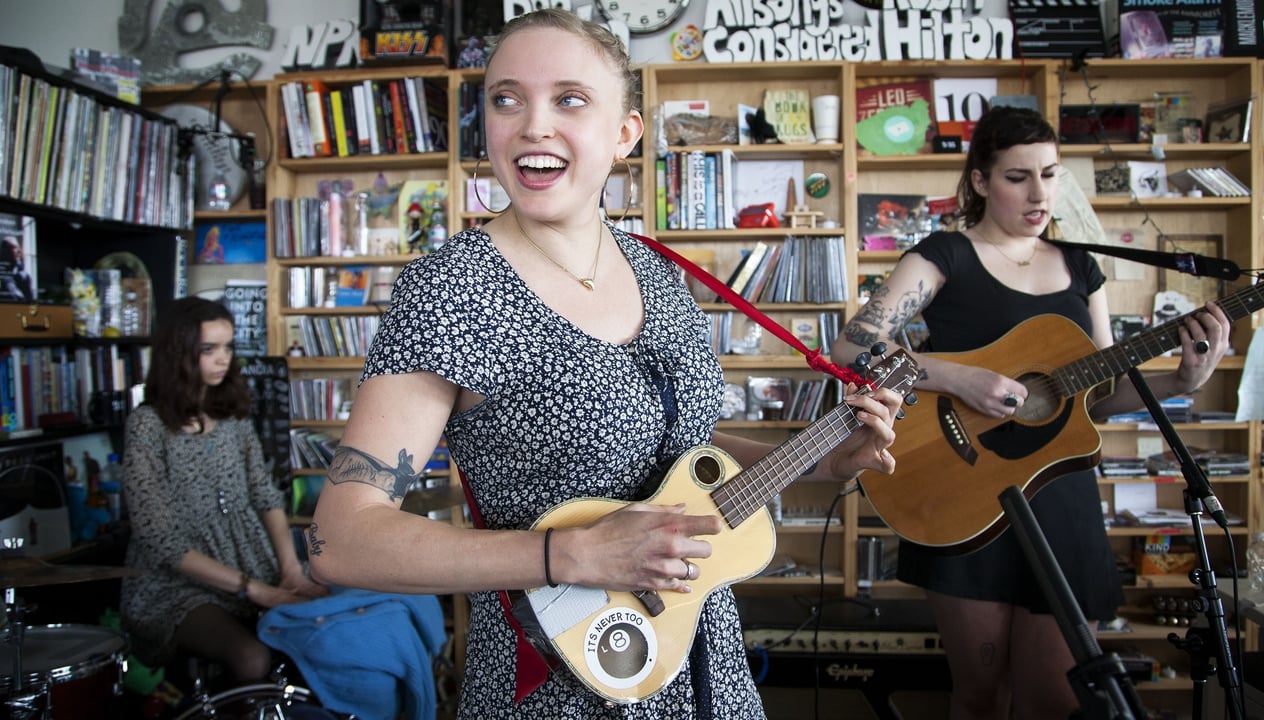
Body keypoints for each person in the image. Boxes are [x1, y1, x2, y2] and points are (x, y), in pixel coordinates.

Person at [307, 8, 902, 719]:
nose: (532, 124)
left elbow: (682, 452)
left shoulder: (657, 270)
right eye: (506, 99)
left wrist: (825, 459)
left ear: (624, 134)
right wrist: (569, 555)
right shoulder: (451, 289)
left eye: (568, 99)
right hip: (557, 684)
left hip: (705, 662)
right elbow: (338, 538)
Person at [832, 105, 1230, 719]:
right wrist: (959, 376)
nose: (1040, 192)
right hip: (967, 490)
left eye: (1050, 173)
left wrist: (1180, 381)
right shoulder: (946, 255)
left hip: (1061, 498)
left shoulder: (1080, 267)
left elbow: (1099, 394)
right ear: (981, 182)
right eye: (1018, 176)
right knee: (982, 697)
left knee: (1053, 699)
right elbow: (853, 348)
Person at [120, 297, 327, 684]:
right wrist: (256, 591)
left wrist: (288, 571)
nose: (223, 359)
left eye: (228, 347)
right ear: (177, 353)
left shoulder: (232, 417)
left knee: (321, 630)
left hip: (251, 563)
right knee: (250, 657)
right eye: (208, 349)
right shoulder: (147, 426)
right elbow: (161, 541)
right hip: (178, 584)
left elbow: (265, 496)